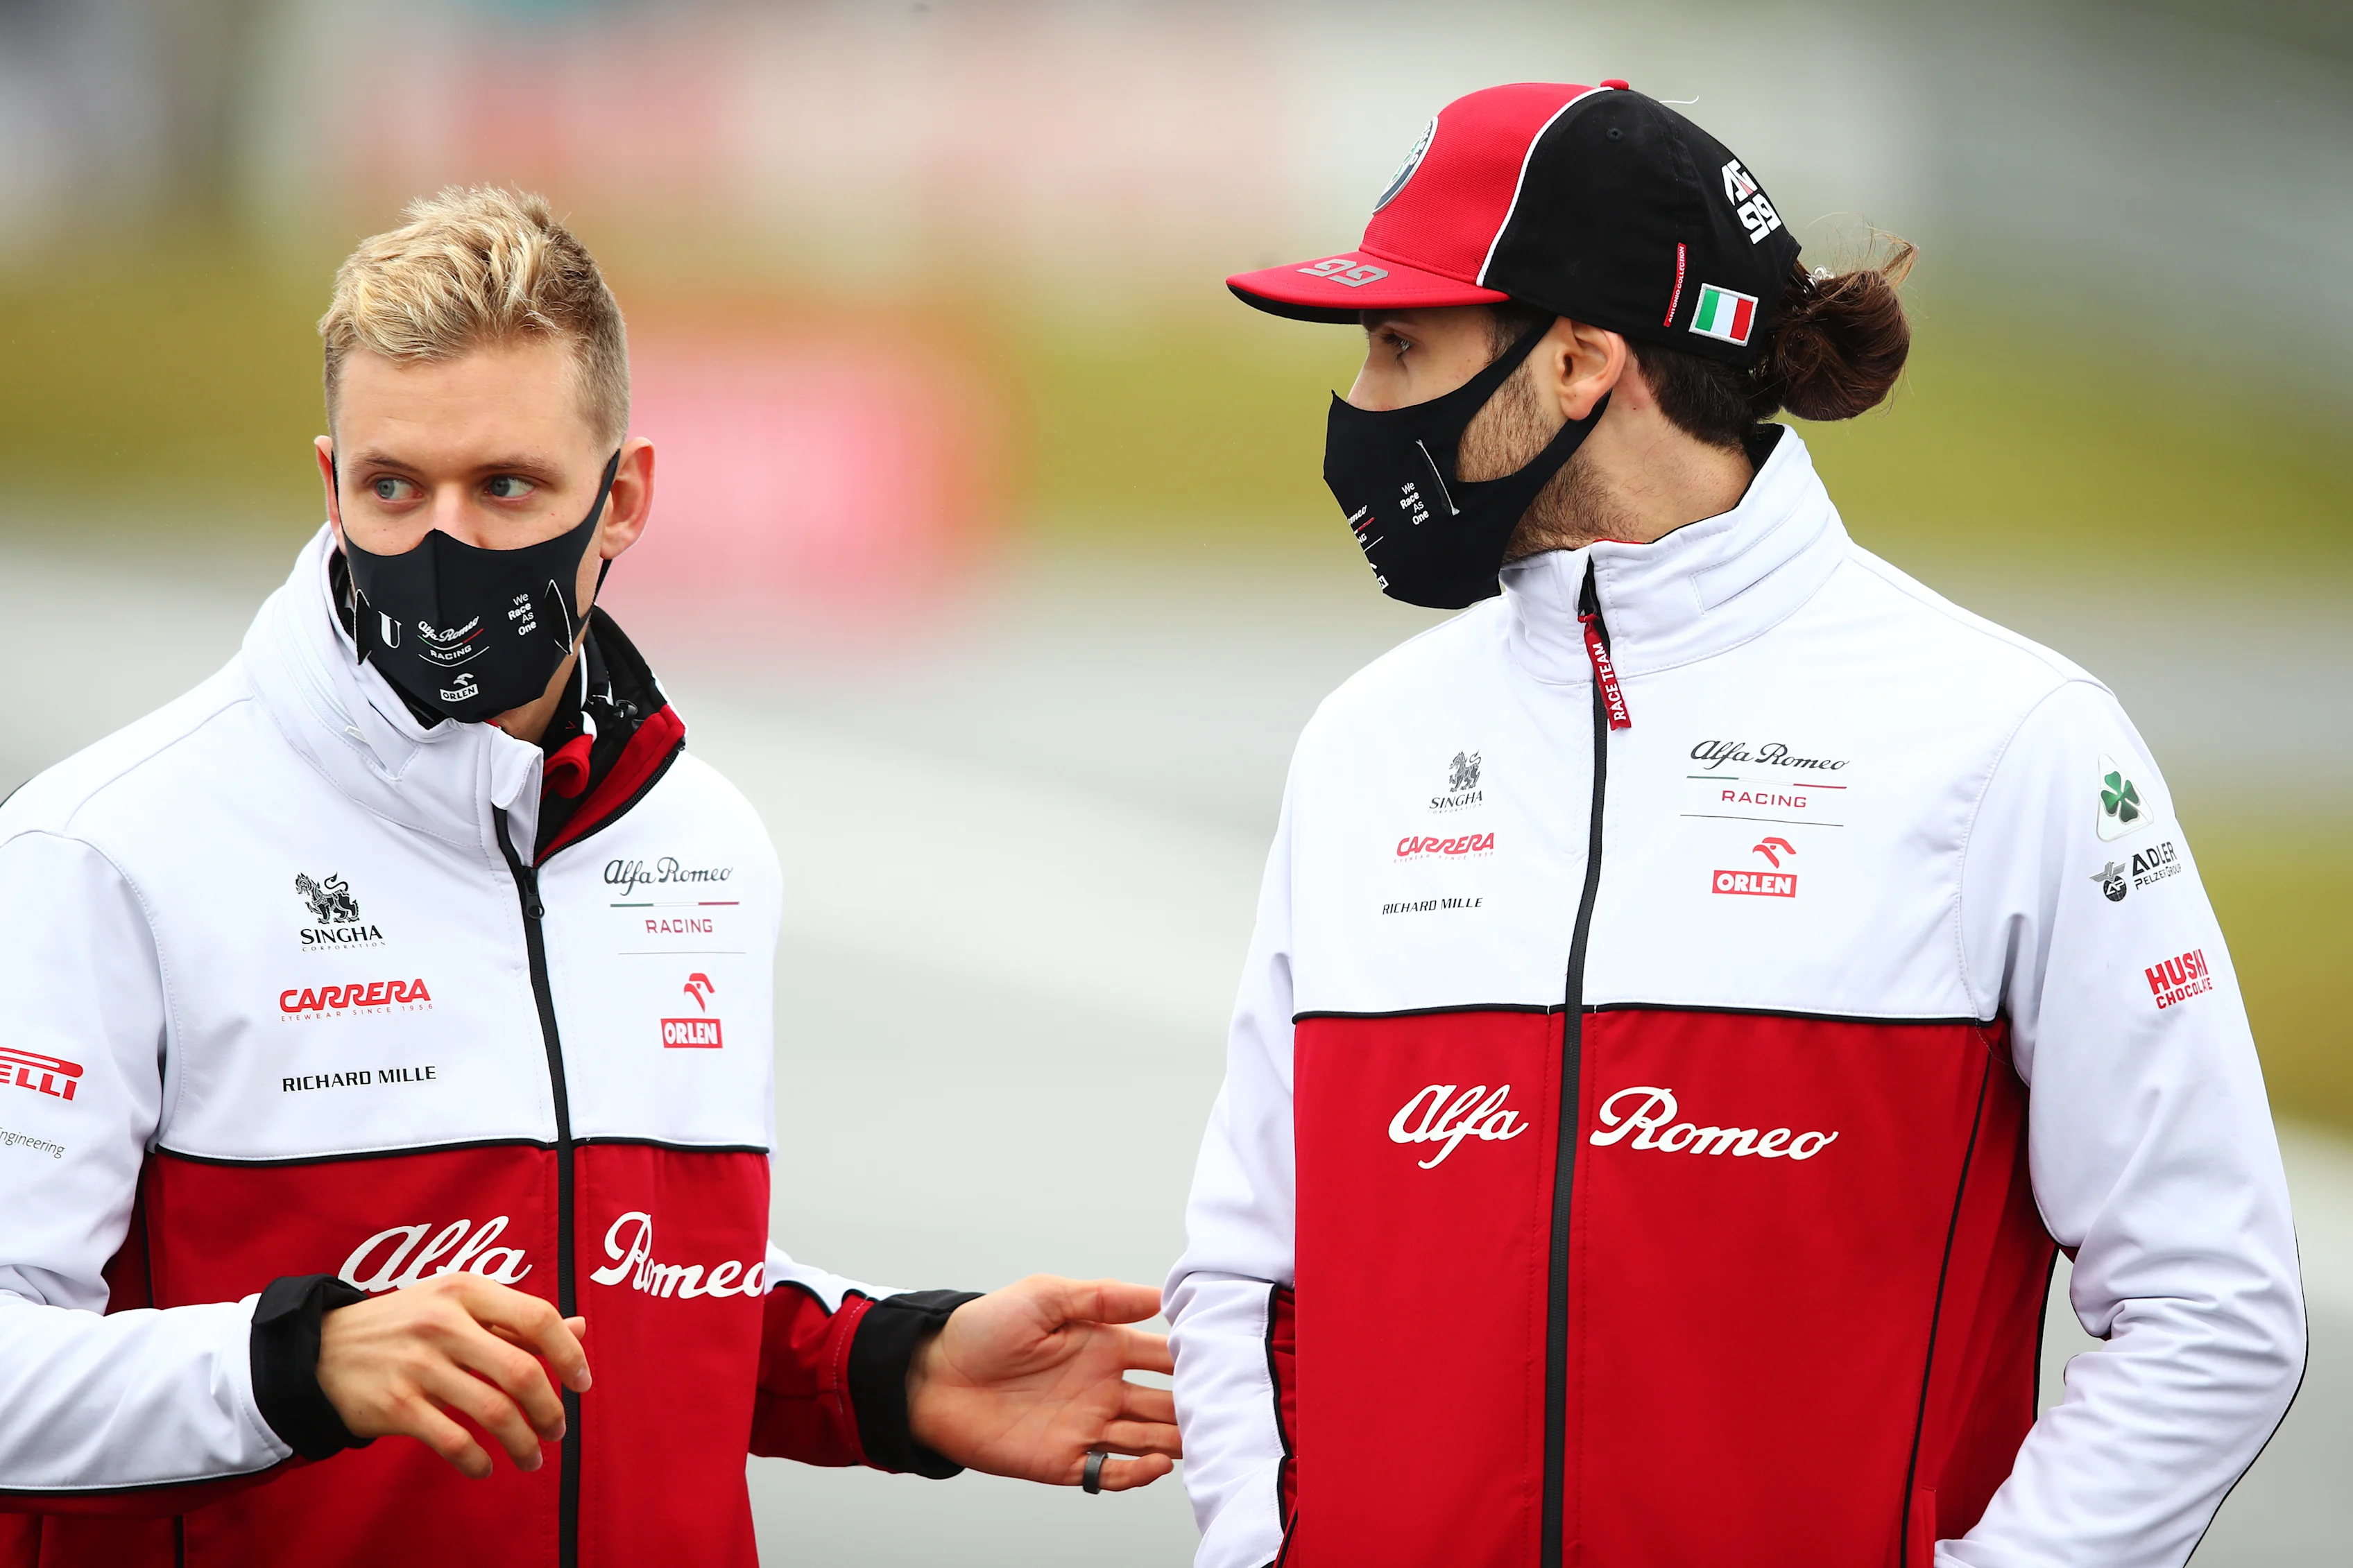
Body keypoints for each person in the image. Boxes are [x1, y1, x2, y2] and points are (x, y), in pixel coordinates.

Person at [1165, 81, 2303, 1568]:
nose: (1363, 409)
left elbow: (2210, 1303)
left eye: (1397, 347)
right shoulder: (1364, 744)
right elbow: (1247, 1268)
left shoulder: (2010, 737)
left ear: (1578, 358)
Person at [0, 187, 1178, 1568]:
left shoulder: (701, 842)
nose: (444, 545)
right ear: (329, 484)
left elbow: (626, 1276)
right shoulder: (108, 845)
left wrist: (884, 1369)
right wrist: (295, 1364)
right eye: (394, 487)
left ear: (621, 499)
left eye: (506, 487)